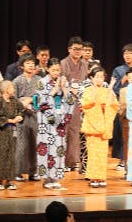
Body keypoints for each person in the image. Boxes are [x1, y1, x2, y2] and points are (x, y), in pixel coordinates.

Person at [81, 66, 119, 188]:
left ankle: (101, 177)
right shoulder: (88, 90)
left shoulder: (106, 90)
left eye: (101, 77)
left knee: (102, 154)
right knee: (93, 154)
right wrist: (97, 103)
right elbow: (87, 105)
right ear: (91, 78)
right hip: (93, 126)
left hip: (104, 125)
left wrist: (111, 88)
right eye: (97, 77)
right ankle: (93, 177)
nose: (99, 79)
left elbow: (113, 105)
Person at [36, 58, 71, 189]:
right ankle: (46, 179)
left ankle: (55, 177)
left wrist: (64, 89)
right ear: (47, 69)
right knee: (46, 147)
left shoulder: (63, 81)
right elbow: (40, 102)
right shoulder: (41, 82)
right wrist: (55, 90)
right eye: (53, 70)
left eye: (58, 70)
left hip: (59, 119)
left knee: (58, 148)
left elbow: (70, 101)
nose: (56, 72)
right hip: (45, 120)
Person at [0, 80, 25, 190]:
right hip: (1, 132)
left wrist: (19, 116)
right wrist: (10, 120)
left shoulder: (14, 101)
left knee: (11, 155)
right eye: (12, 87)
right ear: (6, 90)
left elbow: (22, 109)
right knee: (1, 155)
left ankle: (10, 181)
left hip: (12, 131)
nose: (13, 90)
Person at [60, 36, 88, 172]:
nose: (78, 51)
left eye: (80, 49)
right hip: (66, 100)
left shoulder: (85, 64)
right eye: (75, 49)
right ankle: (64, 161)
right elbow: (61, 81)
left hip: (80, 101)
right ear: (69, 49)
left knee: (77, 131)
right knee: (66, 130)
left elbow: (87, 81)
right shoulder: (63, 63)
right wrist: (71, 89)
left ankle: (74, 161)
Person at [13, 52, 42, 181]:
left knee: (34, 143)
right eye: (28, 63)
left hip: (35, 115)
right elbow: (13, 99)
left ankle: (33, 172)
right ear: (22, 66)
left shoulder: (39, 80)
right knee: (21, 144)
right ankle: (18, 172)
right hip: (22, 116)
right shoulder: (17, 80)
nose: (31, 65)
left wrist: (30, 99)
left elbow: (43, 96)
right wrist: (22, 102)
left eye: (32, 63)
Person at [110, 44, 132, 171]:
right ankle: (122, 159)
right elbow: (114, 89)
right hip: (123, 105)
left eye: (130, 53)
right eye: (125, 53)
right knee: (121, 133)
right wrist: (123, 80)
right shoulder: (118, 70)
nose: (127, 55)